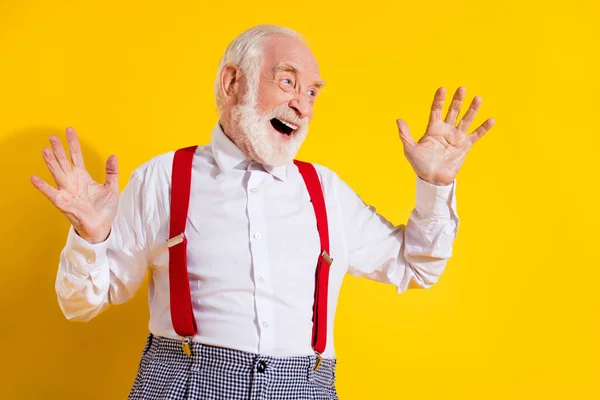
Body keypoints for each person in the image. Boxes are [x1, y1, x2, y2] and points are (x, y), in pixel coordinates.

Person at [31, 24, 495, 400]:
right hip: (184, 386)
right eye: (288, 81)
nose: (302, 104)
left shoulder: (325, 191)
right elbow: (82, 303)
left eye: (313, 92)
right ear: (233, 83)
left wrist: (435, 186)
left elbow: (416, 266)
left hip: (306, 389)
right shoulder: (164, 178)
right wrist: (90, 238)